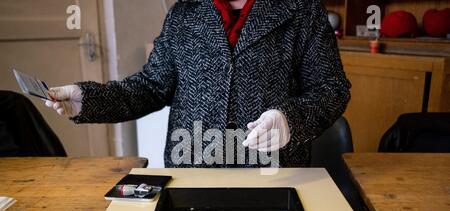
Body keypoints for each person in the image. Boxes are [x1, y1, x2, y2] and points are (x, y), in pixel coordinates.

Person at [46, 0, 351, 168]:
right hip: (192, 173)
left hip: (272, 175)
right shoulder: (183, 14)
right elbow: (150, 87)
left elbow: (332, 88)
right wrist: (88, 99)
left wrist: (290, 119)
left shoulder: (302, 10)